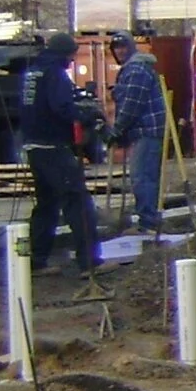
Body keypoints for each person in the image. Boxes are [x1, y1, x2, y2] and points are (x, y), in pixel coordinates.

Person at [21, 31, 100, 277]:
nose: (72, 61)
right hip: (53, 147)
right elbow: (61, 108)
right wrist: (86, 114)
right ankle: (89, 261)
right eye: (71, 56)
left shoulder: (33, 72)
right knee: (77, 201)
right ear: (64, 53)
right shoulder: (55, 74)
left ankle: (37, 260)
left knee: (46, 204)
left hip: (33, 146)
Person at [107, 31, 167, 234]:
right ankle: (148, 221)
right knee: (144, 176)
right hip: (142, 131)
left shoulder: (136, 70)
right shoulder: (131, 69)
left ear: (131, 47)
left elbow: (132, 104)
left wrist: (116, 130)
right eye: (116, 48)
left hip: (147, 131)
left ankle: (148, 223)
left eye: (123, 47)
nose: (120, 51)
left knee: (143, 177)